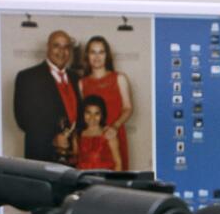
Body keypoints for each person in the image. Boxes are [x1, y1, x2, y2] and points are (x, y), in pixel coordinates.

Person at [13, 30, 79, 162]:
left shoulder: (76, 78)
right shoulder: (28, 77)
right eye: (56, 46)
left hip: (74, 156)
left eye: (66, 47)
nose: (61, 51)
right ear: (48, 47)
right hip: (42, 155)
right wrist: (53, 139)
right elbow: (23, 119)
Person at [79, 35, 134, 169]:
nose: (97, 57)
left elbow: (128, 108)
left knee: (118, 174)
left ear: (107, 55)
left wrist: (115, 126)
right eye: (93, 52)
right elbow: (84, 115)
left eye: (101, 52)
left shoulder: (119, 78)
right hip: (93, 139)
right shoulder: (82, 83)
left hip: (114, 133)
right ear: (87, 55)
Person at [73, 95, 122, 171]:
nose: (92, 117)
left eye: (97, 113)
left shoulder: (108, 134)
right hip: (84, 179)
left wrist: (113, 182)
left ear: (102, 115)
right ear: (83, 113)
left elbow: (118, 163)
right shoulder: (77, 135)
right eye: (88, 112)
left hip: (104, 180)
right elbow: (75, 160)